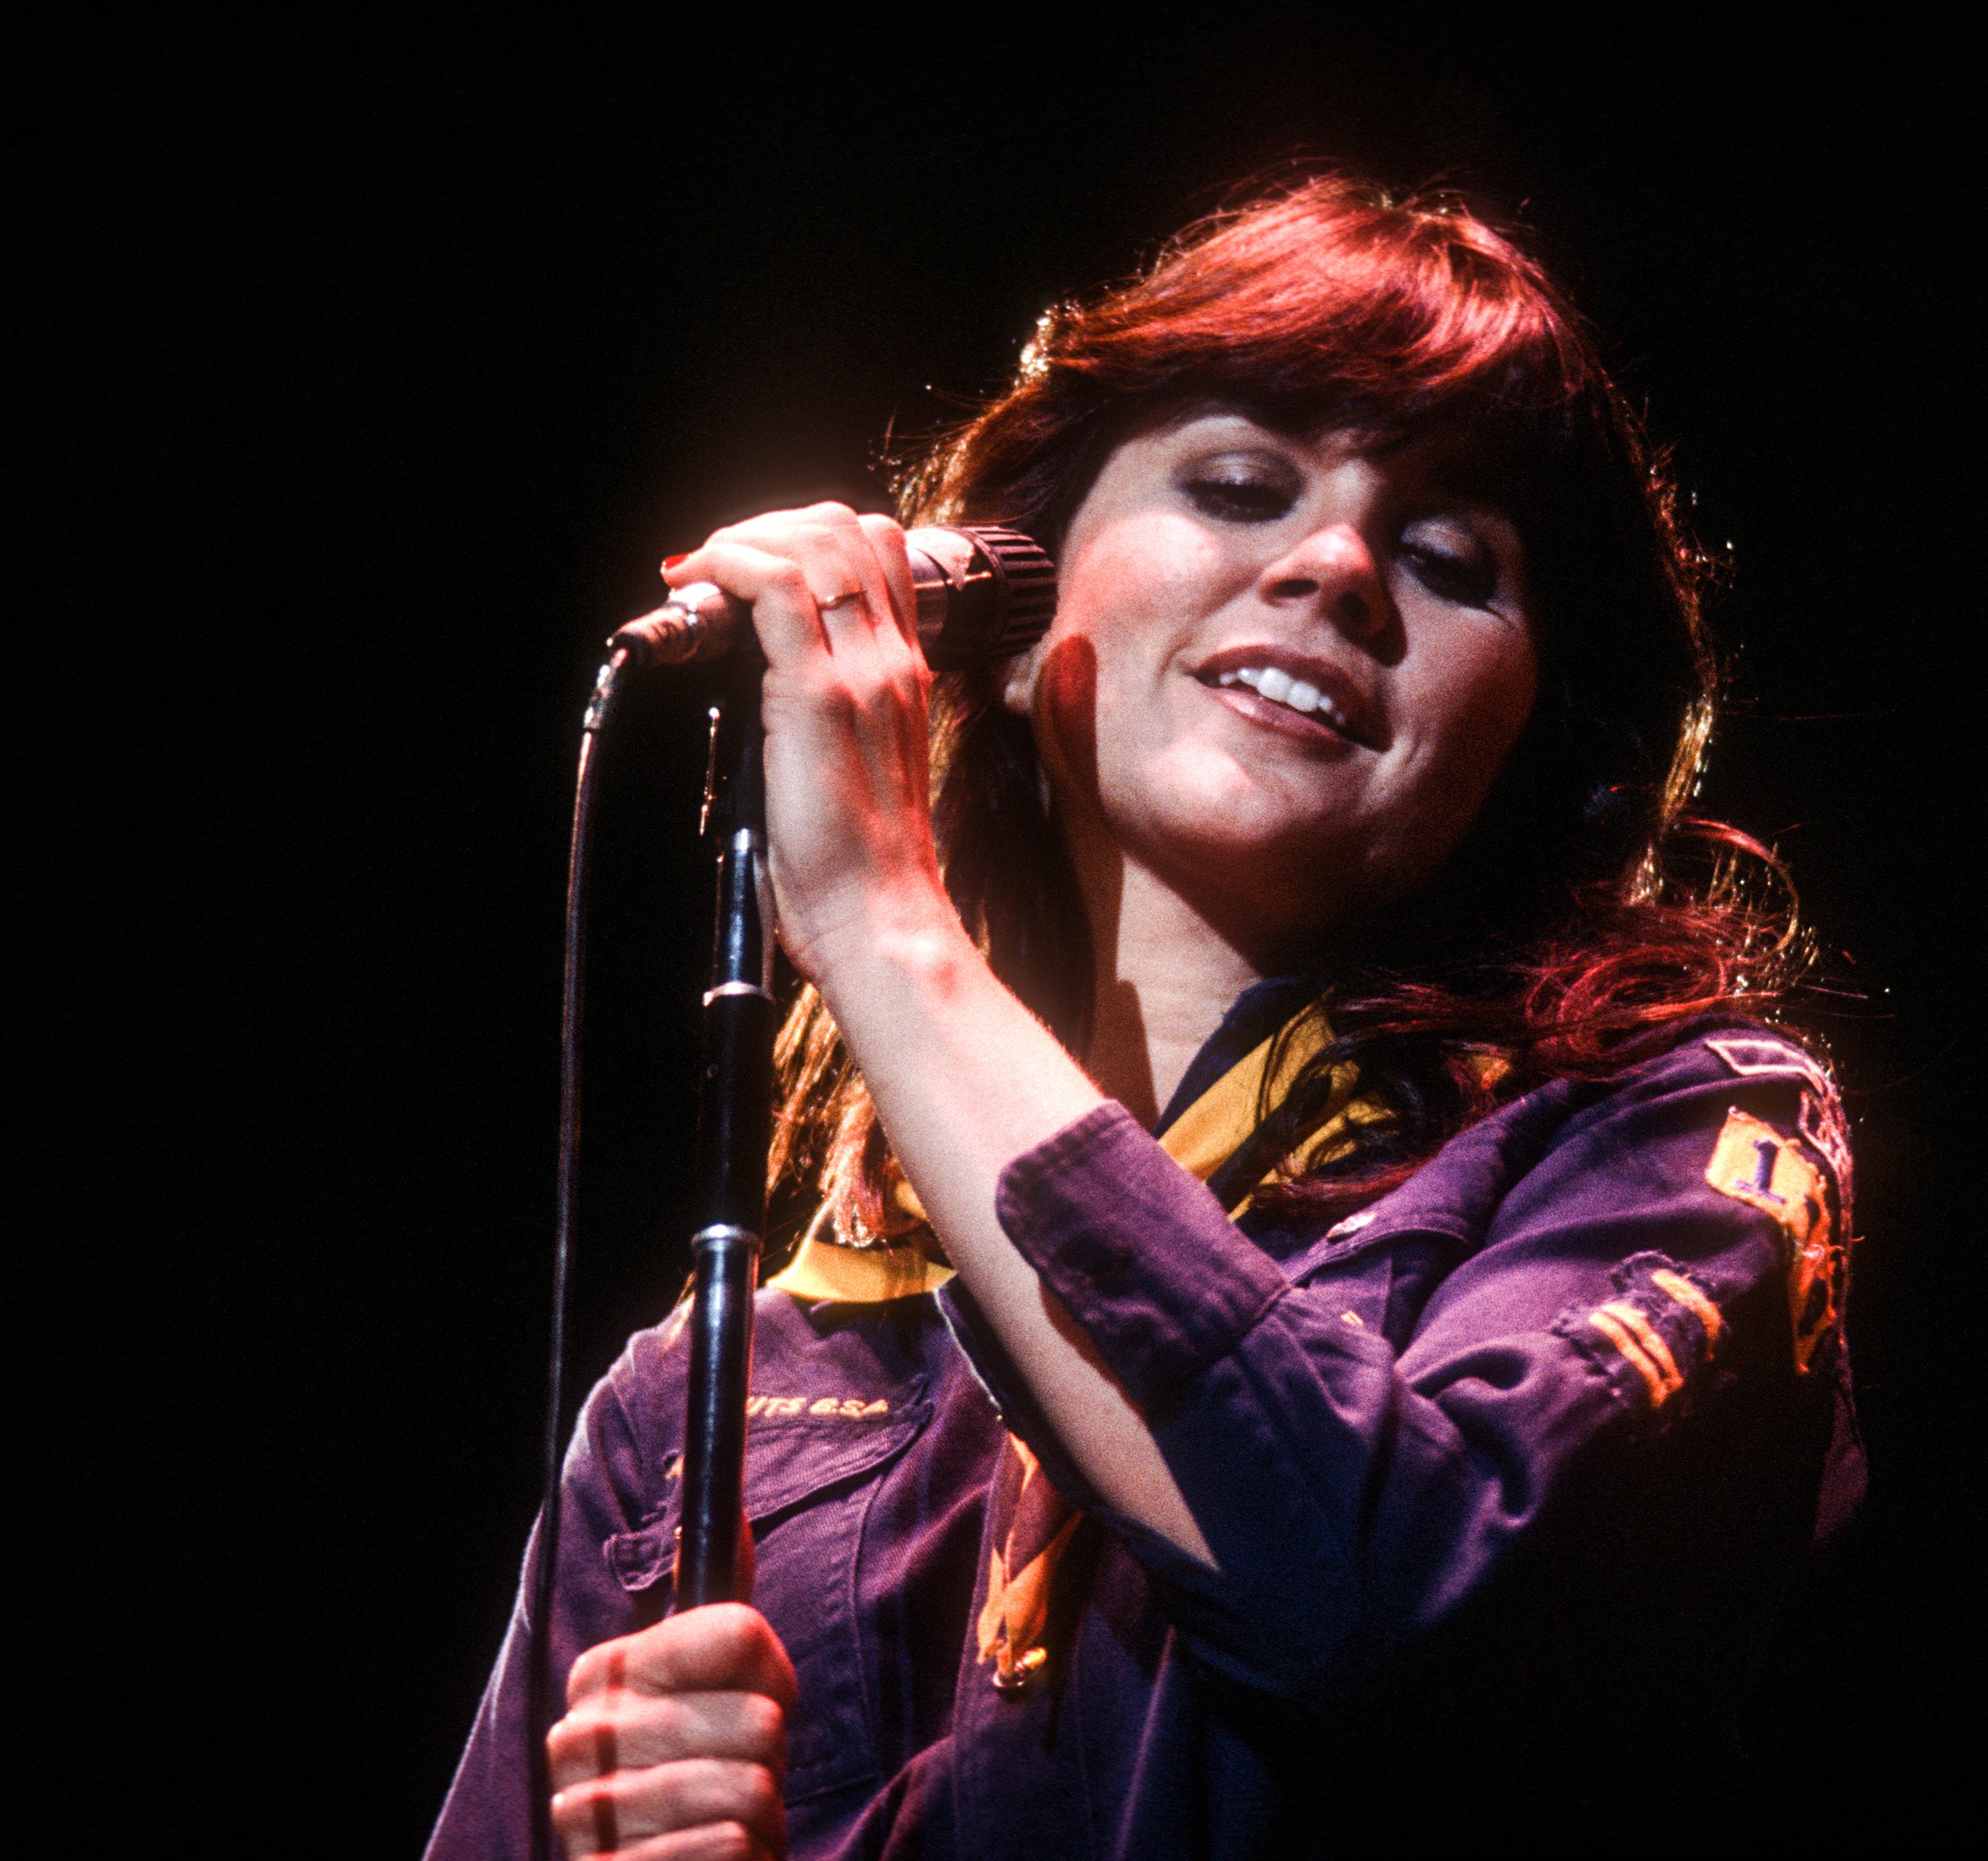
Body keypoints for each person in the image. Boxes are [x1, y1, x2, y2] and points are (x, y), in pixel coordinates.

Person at [428, 176, 1862, 1861]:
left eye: (1448, 556)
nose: (1332, 565)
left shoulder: (1668, 1137)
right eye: (1241, 483)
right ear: (1017, 624)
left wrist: (889, 936)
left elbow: (1402, 1601)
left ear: (1532, 745)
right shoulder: (703, 1407)